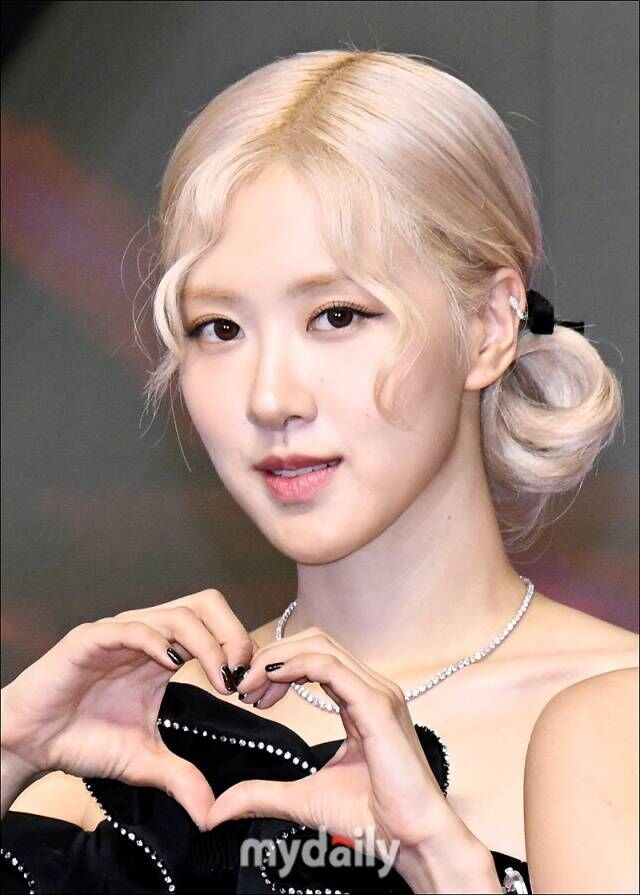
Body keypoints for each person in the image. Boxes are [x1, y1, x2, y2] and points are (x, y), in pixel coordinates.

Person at [1, 47, 638, 894]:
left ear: (489, 326)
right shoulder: (117, 747)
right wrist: (9, 748)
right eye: (220, 328)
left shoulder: (612, 728)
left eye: (337, 315)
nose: (271, 397)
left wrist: (445, 866)